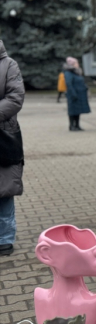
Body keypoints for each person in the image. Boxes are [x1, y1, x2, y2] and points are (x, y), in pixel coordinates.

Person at [0, 40, 25, 256]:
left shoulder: (8, 65)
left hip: (3, 134)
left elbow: (15, 97)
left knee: (4, 188)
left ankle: (4, 239)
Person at [64, 57, 90, 131]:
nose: (78, 64)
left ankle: (77, 125)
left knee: (78, 110)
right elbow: (69, 84)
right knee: (72, 110)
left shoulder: (77, 72)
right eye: (76, 63)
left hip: (79, 94)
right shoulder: (68, 73)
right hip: (73, 94)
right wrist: (73, 93)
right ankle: (72, 125)